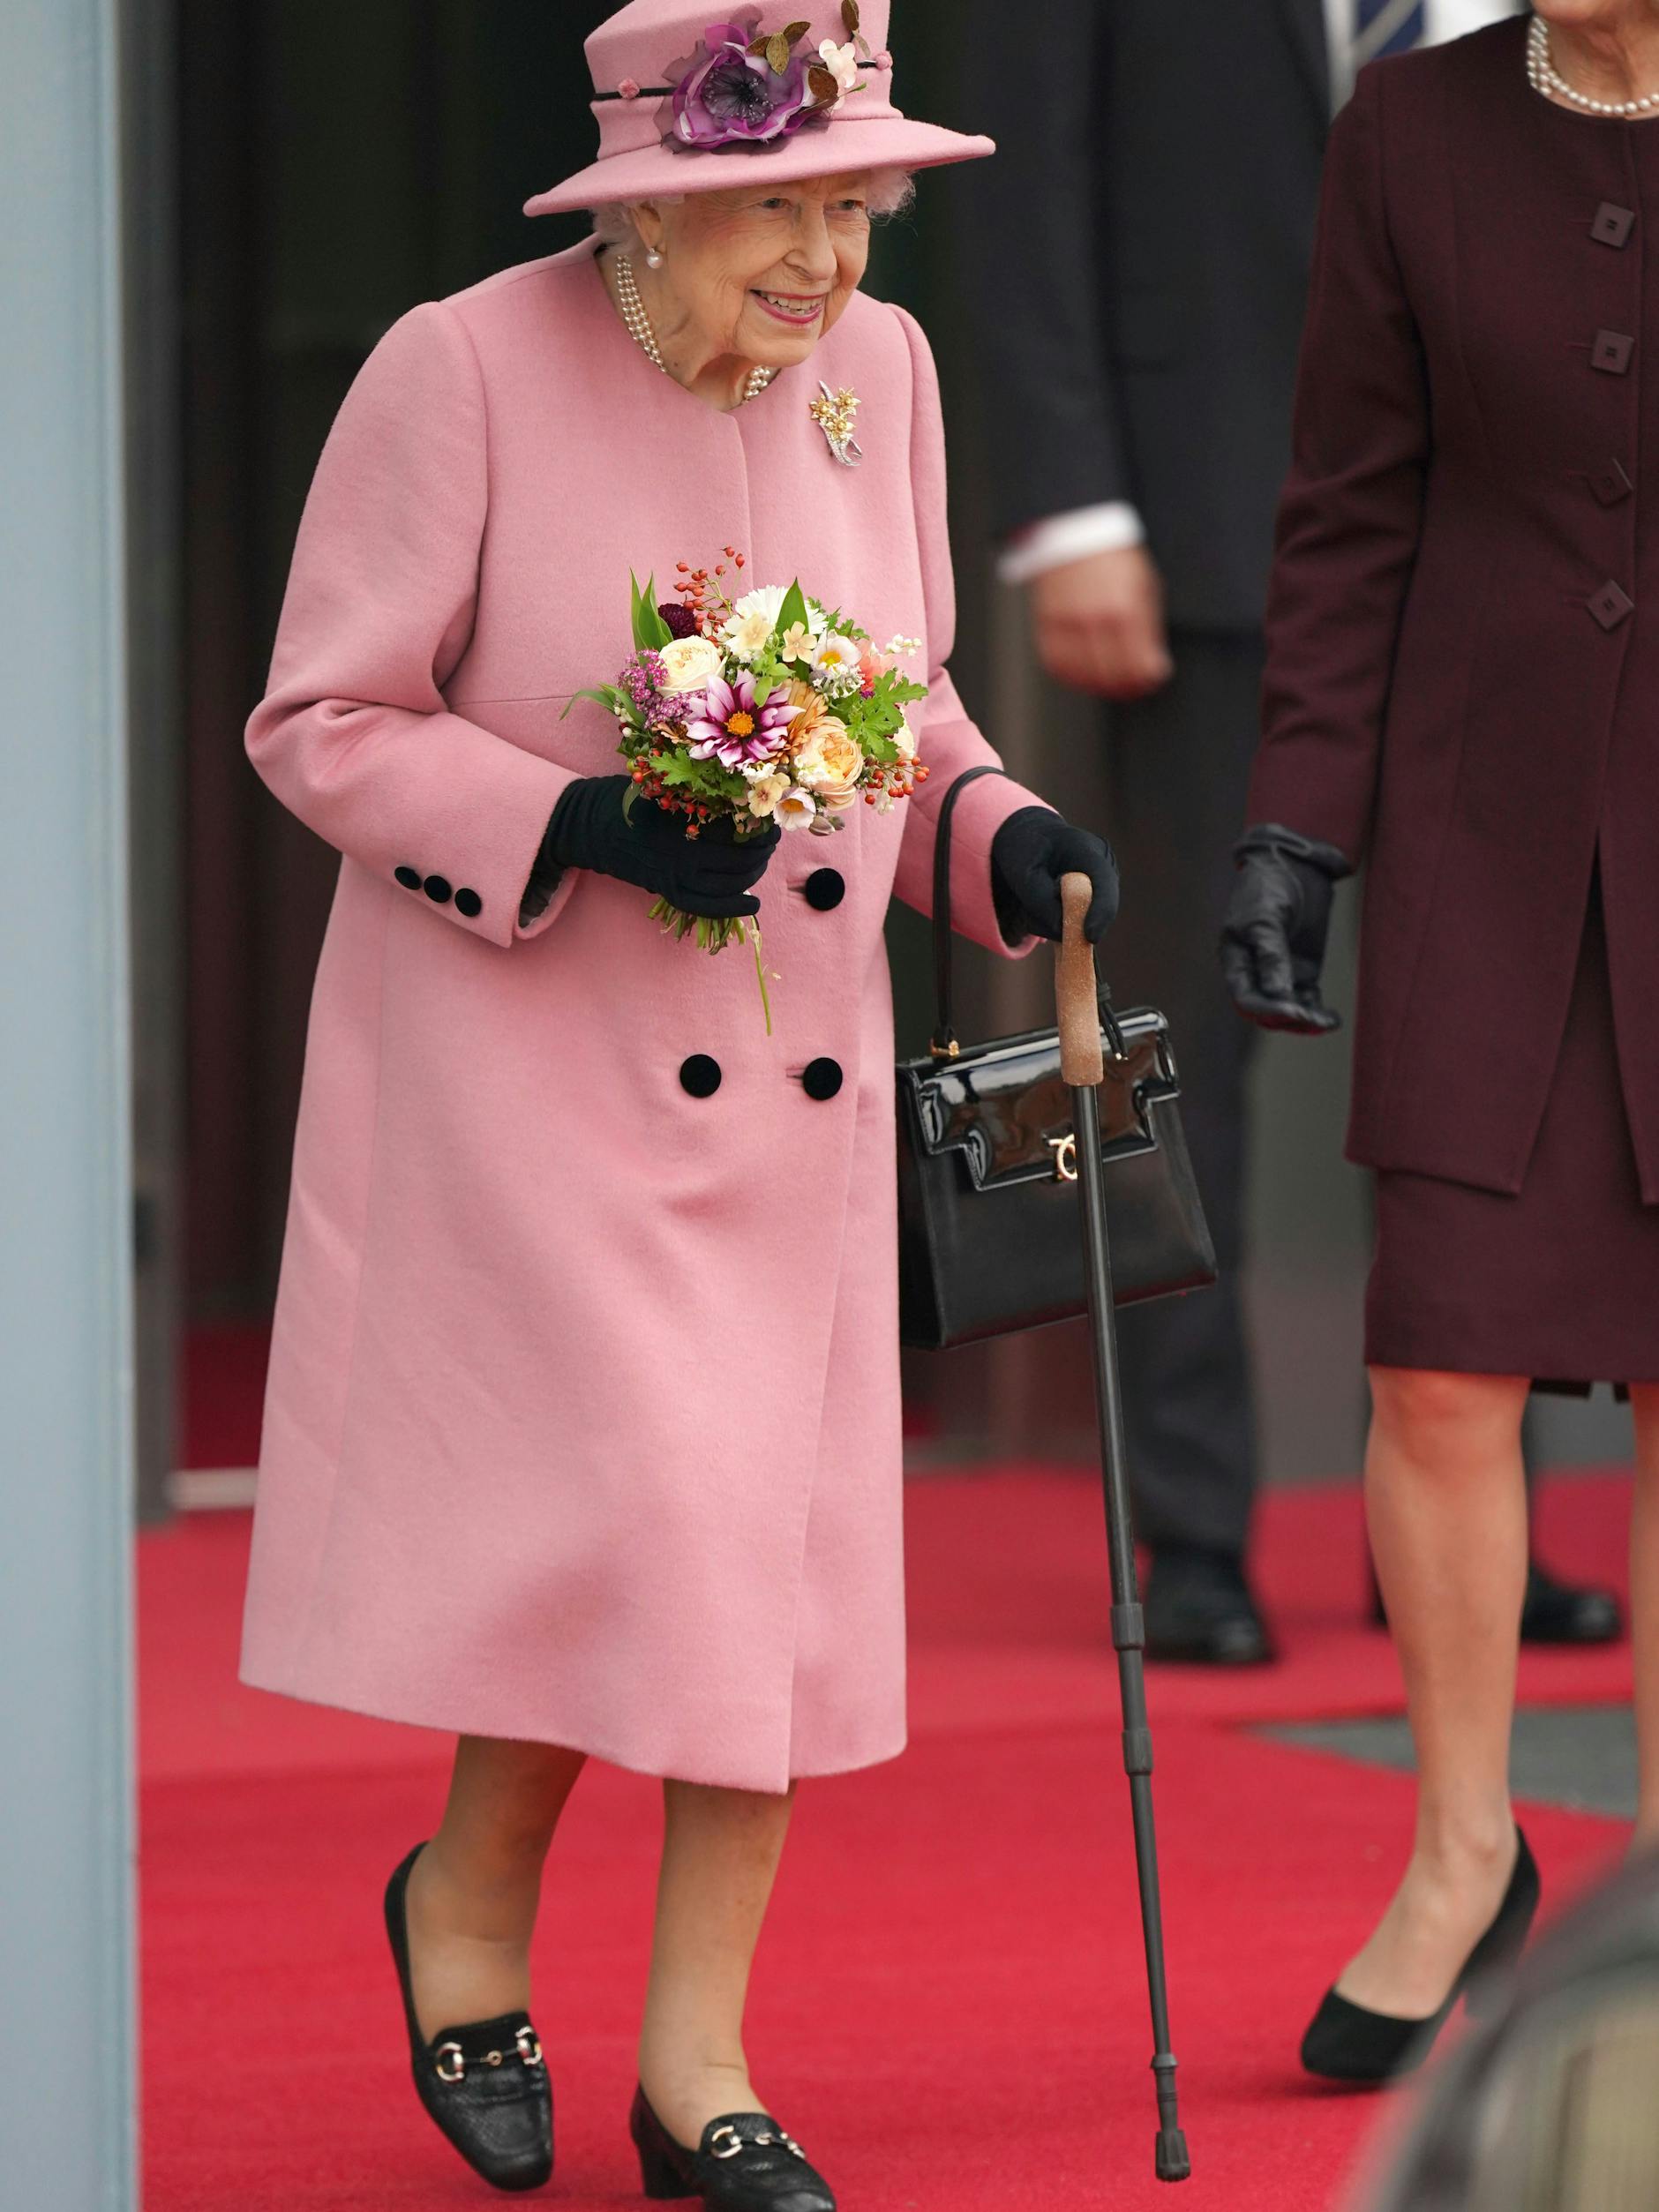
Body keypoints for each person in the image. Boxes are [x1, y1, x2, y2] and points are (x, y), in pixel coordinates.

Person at [236, 2, 1118, 2201]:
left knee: (769, 1583)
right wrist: (576, 824)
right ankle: (461, 1899)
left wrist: (989, 827)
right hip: (532, 1083)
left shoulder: (882, 372)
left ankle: (699, 2068)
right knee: (626, 1535)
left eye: (855, 204)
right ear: (651, 207)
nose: (827, 261)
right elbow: (319, 718)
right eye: (779, 212)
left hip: (789, 1087)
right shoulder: (460, 366)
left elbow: (897, 701)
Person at [960, 0, 1613, 1666]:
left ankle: (1472, 1536)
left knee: (1509, 1046)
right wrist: (1071, 509)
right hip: (1199, 533)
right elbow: (1025, 178)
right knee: (1168, 1034)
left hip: (1524, 573)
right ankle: (1188, 1528)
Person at [1222, 3, 1659, 2083]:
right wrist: (1296, 823)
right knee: (1439, 1354)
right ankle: (1458, 1852)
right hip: (1485, 830)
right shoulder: (1407, 129)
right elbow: (1346, 505)